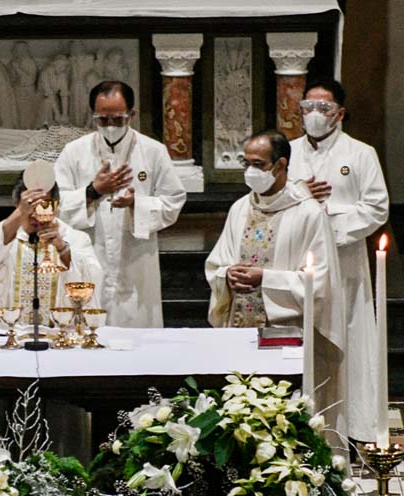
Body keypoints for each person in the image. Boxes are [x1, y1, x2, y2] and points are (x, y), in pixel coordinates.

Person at [206, 130, 345, 435]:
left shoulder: (309, 214)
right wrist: (226, 276)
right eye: (246, 162)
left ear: (281, 165)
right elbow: (217, 263)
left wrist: (265, 279)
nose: (250, 171)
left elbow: (319, 282)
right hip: (239, 332)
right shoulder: (240, 209)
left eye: (258, 164)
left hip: (288, 338)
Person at [288, 78, 389, 443]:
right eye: (307, 108)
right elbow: (273, 200)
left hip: (345, 263)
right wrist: (301, 197)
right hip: (301, 262)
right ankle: (300, 421)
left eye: (324, 108)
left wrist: (329, 222)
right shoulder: (288, 152)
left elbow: (376, 207)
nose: (315, 115)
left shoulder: (360, 154)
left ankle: (352, 423)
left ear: (340, 113)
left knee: (348, 337)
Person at [55, 81, 186, 327]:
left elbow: (174, 202)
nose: (111, 127)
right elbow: (55, 204)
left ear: (132, 114)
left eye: (118, 119)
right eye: (103, 120)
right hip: (90, 254)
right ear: (93, 116)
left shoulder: (153, 151)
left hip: (135, 259)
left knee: (136, 332)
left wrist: (137, 203)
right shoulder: (74, 152)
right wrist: (93, 191)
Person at [0, 173, 102, 323]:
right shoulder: (1, 235)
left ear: (56, 204)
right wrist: (21, 212)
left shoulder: (75, 239)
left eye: (43, 205)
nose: (35, 213)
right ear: (17, 205)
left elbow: (92, 276)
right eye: (29, 205)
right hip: (7, 336)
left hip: (59, 335)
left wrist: (62, 248)